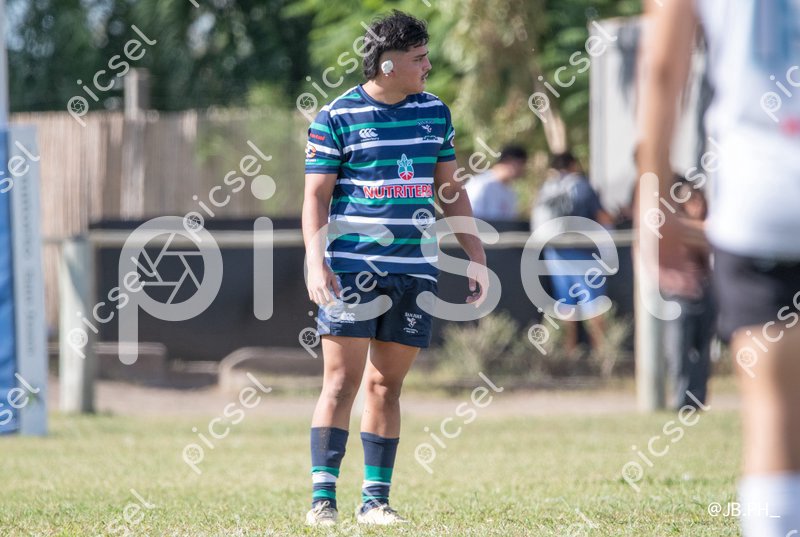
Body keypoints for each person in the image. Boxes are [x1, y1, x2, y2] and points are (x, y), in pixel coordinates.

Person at [302, 10, 488, 526]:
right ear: (387, 65)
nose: (428, 66)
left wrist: (475, 255)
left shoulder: (435, 112)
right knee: (340, 383)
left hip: (414, 270)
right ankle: (322, 501)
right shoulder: (336, 117)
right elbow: (315, 197)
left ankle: (375, 502)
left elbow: (449, 190)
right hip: (351, 270)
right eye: (419, 58)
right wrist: (316, 262)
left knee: (387, 387)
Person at [639, 1, 800, 535]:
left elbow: (663, 67)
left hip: (764, 195)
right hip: (760, 199)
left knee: (774, 417)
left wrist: (653, 200)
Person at [532, 151, 614, 355]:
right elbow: (602, 216)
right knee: (594, 305)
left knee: (565, 306)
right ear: (573, 165)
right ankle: (602, 355)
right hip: (583, 253)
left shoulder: (547, 188)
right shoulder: (582, 186)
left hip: (554, 252)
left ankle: (568, 354)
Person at [660, 176, 714, 409]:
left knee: (702, 351)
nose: (697, 206)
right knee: (678, 351)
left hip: (705, 293)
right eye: (691, 201)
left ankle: (698, 399)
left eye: (699, 200)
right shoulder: (676, 228)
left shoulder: (705, 226)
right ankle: (681, 400)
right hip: (679, 297)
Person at [464, 145, 528, 221]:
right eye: (520, 163)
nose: (522, 169)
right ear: (508, 160)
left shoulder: (511, 192)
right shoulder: (480, 184)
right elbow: (469, 217)